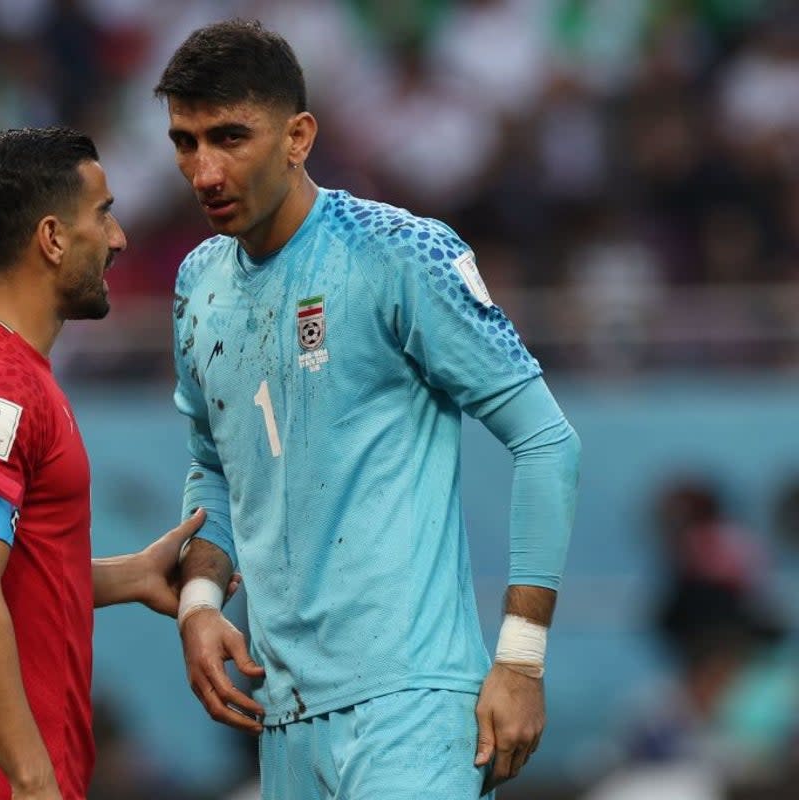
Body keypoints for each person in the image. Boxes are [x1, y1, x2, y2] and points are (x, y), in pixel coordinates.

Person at [156, 20, 582, 799]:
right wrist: (199, 601)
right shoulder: (197, 285)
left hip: (412, 708)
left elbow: (548, 442)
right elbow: (213, 464)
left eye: (229, 137)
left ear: (298, 136)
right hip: (283, 719)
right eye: (185, 142)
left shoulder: (398, 253)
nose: (204, 170)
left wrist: (520, 659)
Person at [0, 127, 216, 800]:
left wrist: (127, 576)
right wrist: (32, 779)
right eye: (103, 214)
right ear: (53, 238)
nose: (118, 239)